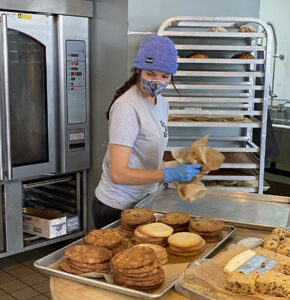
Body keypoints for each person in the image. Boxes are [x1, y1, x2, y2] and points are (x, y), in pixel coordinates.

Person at [93, 35, 201, 228]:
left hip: (142, 202)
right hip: (116, 207)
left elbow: (142, 157)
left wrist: (174, 166)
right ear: (139, 70)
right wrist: (169, 175)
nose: (157, 82)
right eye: (150, 74)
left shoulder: (162, 103)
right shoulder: (127, 107)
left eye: (164, 76)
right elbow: (119, 174)